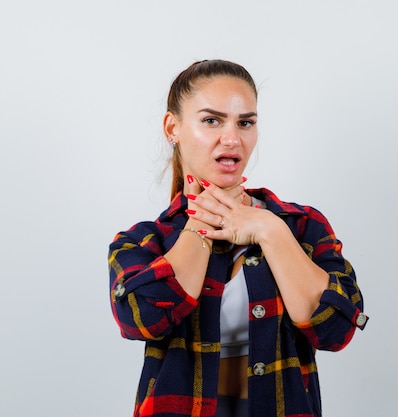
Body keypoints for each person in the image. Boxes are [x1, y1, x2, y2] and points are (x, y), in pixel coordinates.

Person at [108, 59, 368, 417]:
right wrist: (201, 221)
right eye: (211, 120)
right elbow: (142, 319)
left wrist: (269, 229)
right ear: (173, 127)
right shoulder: (142, 242)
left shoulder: (302, 226)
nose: (231, 138)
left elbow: (336, 331)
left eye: (245, 122)